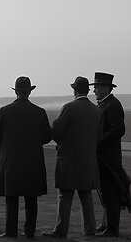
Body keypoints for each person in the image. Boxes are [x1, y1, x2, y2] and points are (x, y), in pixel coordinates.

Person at [0, 76, 52, 239]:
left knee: (11, 200)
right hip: (33, 161)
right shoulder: (39, 112)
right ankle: (29, 232)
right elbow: (47, 137)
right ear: (29, 91)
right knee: (31, 200)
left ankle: (11, 232)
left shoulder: (4, 111)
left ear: (16, 91)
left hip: (11, 161)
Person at [42, 76, 101, 239]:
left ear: (74, 90)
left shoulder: (68, 108)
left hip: (68, 159)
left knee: (64, 196)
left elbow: (57, 132)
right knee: (86, 196)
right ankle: (90, 230)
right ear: (88, 91)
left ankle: (61, 230)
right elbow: (99, 136)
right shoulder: (97, 110)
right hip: (88, 159)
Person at [90, 72, 131, 238]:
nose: (95, 90)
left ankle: (112, 229)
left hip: (109, 157)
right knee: (105, 193)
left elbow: (118, 129)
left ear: (107, 88)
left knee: (110, 193)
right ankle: (105, 225)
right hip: (102, 157)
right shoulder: (104, 104)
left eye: (98, 87)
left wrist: (99, 143)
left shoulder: (113, 105)